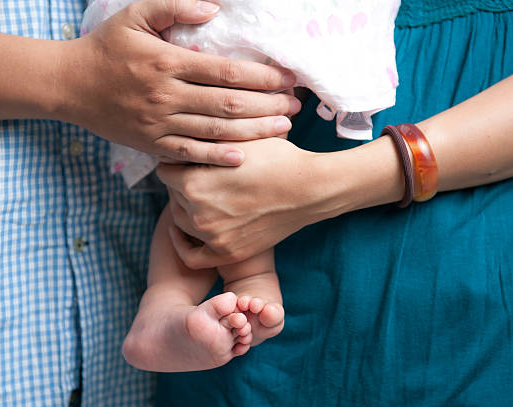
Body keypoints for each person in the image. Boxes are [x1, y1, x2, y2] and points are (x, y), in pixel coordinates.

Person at [0, 0, 300, 405]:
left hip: (121, 326)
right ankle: (197, 294)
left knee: (212, 177)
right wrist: (71, 78)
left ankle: (171, 303)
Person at [156, 1, 513, 406]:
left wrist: (317, 187)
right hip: (256, 320)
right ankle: (162, 307)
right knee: (207, 173)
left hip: (469, 295)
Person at [82, 0, 401, 372]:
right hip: (222, 30)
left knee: (198, 179)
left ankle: (168, 302)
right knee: (221, 161)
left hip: (195, 37)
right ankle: (241, 281)